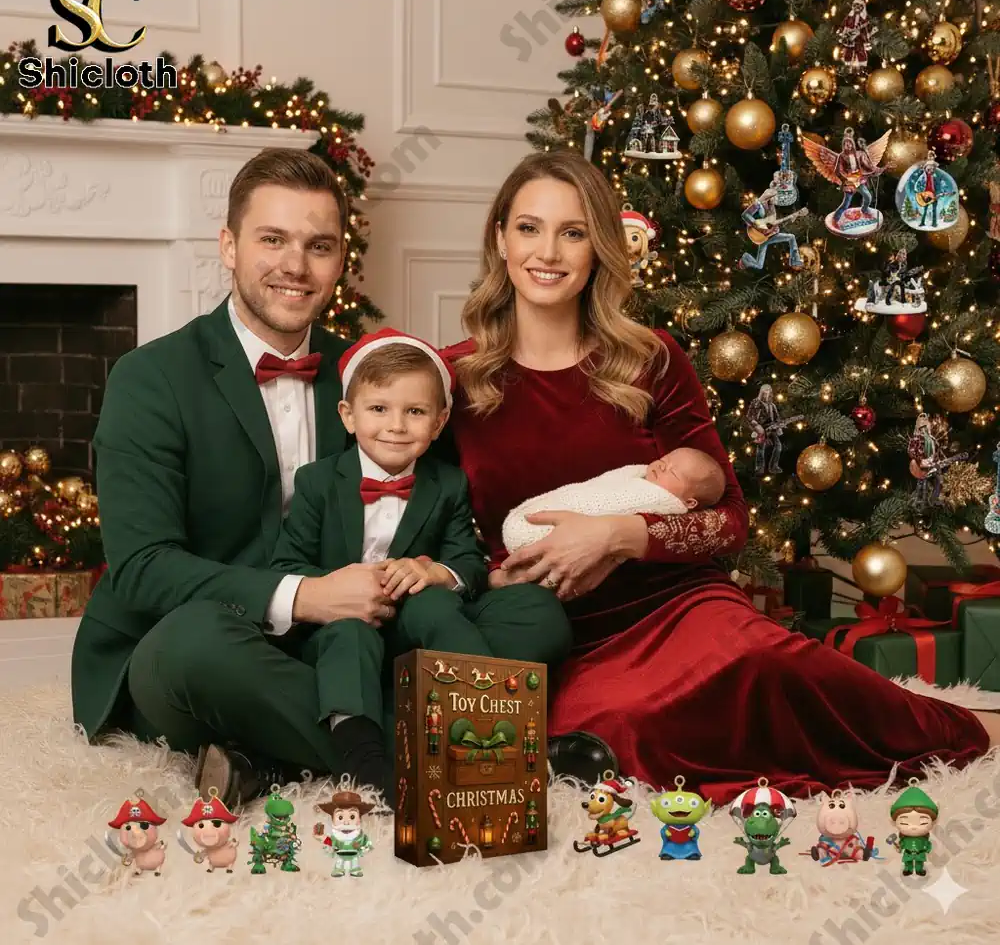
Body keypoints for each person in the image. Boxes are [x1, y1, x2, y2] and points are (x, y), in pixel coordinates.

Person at [437, 149, 1000, 803]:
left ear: (599, 250)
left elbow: (730, 523)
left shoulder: (651, 359)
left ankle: (964, 730)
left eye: (574, 232)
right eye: (529, 228)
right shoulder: (451, 379)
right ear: (500, 239)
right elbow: (424, 525)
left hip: (676, 605)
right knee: (620, 730)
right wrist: (490, 579)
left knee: (769, 663)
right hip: (553, 628)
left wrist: (620, 535)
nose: (548, 252)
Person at [69, 147, 569, 810]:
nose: (295, 266)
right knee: (189, 650)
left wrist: (432, 570)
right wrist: (306, 596)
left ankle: (274, 754)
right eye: (272, 239)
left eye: (319, 246)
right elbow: (142, 569)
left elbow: (430, 499)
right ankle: (472, 752)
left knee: (532, 614)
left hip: (349, 637)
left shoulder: (373, 377)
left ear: (339, 260)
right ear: (229, 246)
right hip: (216, 635)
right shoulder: (150, 377)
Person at [268, 329, 517, 753]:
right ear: (348, 415)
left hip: (413, 630)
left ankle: (487, 714)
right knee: (350, 634)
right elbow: (286, 566)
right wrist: (337, 587)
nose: (396, 426)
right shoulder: (317, 482)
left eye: (415, 411)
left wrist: (434, 572)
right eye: (379, 408)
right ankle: (360, 749)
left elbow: (469, 563)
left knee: (441, 604)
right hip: (340, 628)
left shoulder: (448, 484)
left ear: (439, 422)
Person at [501, 448, 726, 562]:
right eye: (664, 460)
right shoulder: (637, 475)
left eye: (672, 472)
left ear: (689, 502)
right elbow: (591, 489)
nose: (661, 467)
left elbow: (610, 507)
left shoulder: (662, 502)